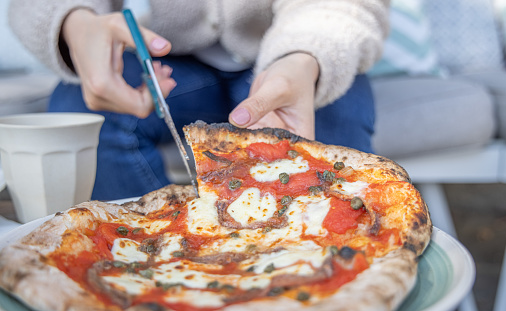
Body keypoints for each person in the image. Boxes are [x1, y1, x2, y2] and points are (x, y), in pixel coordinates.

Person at [9, 0, 390, 200]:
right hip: (176, 59)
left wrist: (305, 57)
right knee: (81, 110)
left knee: (326, 131)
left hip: (295, 49)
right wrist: (74, 20)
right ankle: (157, 267)